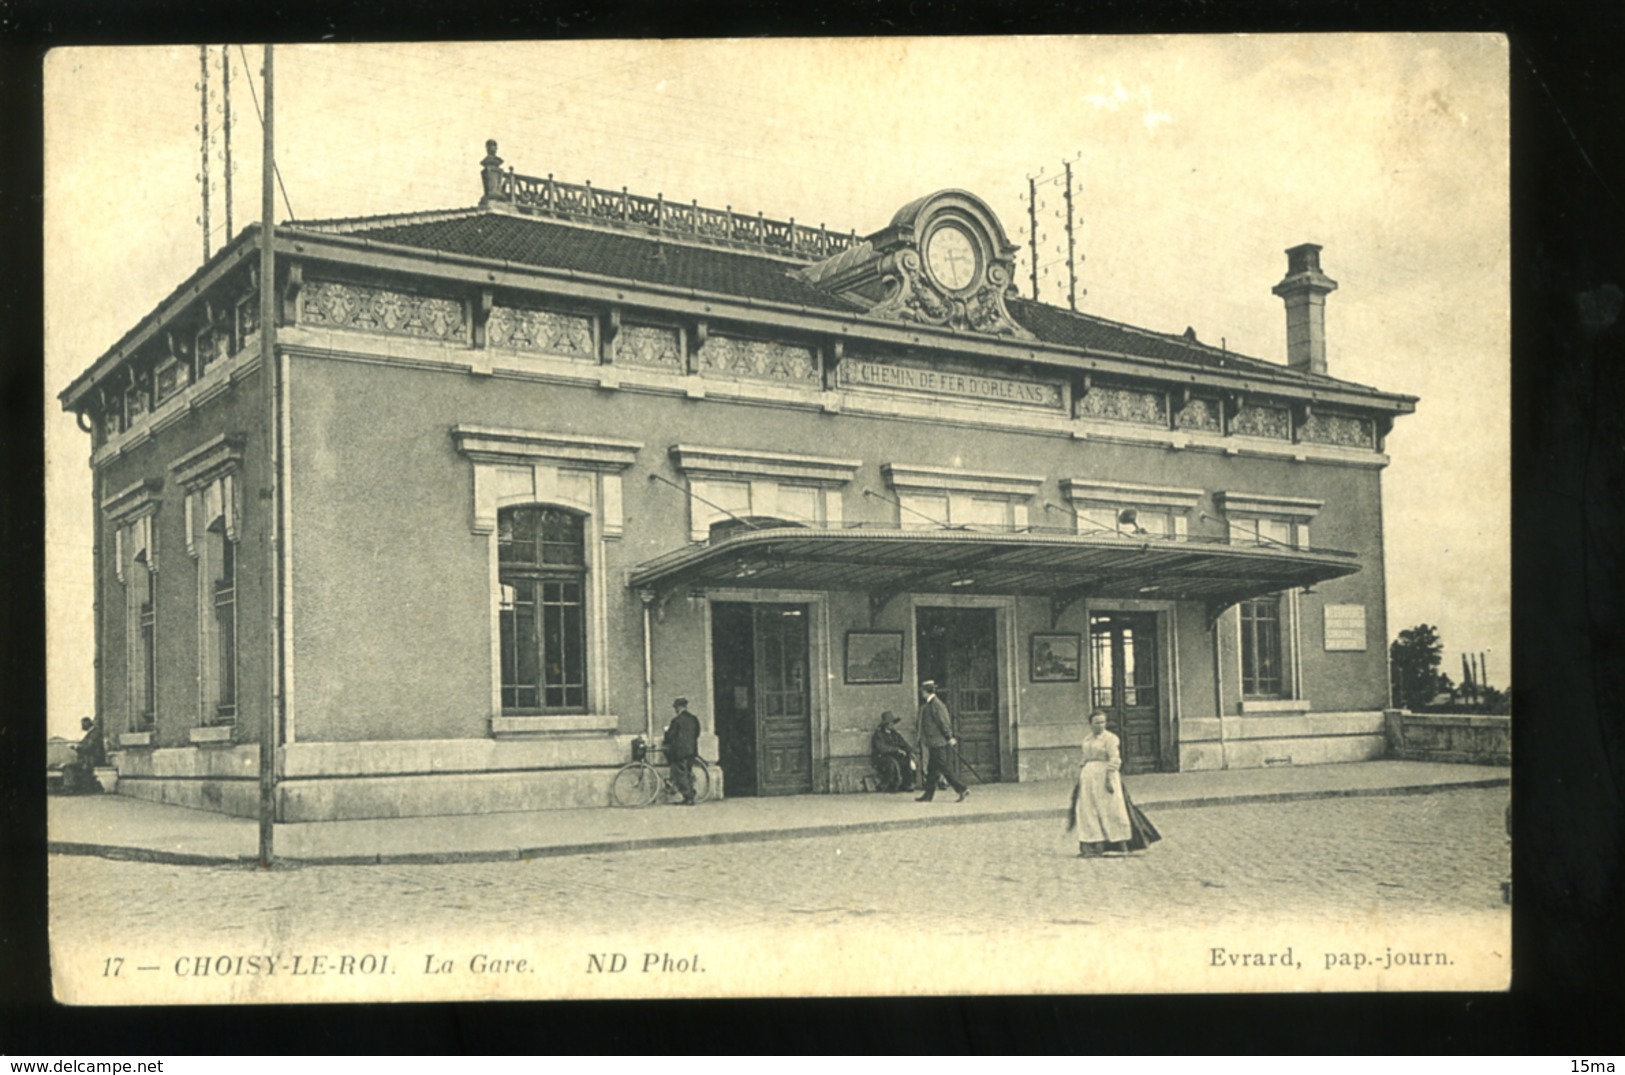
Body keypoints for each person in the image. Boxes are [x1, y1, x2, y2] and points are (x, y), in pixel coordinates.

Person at [1066, 709, 1160, 855]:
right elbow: (1084, 758)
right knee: (1088, 810)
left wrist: (1109, 778)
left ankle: (1121, 843)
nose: (1100, 725)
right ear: (1090, 724)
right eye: (1096, 722)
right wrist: (1081, 775)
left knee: (1112, 808)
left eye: (1102, 722)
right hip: (1088, 777)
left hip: (1105, 775)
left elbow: (1114, 759)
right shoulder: (1087, 740)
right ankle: (1094, 845)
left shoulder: (1110, 739)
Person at [915, 680, 968, 803]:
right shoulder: (930, 704)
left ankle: (962, 788)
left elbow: (943, 723)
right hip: (933, 742)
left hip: (938, 742)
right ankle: (928, 795)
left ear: (926, 691)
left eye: (922, 691)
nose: (921, 693)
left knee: (943, 767)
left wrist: (949, 737)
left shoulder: (936, 705)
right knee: (932, 769)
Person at [662, 697, 702, 806]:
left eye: (675, 707)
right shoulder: (694, 719)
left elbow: (670, 736)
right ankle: (689, 794)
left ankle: (689, 797)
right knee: (687, 772)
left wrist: (666, 733)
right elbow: (697, 733)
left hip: (680, 752)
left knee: (680, 774)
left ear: (678, 707)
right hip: (692, 751)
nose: (675, 710)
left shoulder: (676, 721)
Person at [870, 710, 917, 792]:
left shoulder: (895, 734)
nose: (891, 725)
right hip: (882, 757)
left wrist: (910, 752)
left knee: (906, 760)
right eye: (889, 723)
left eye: (892, 723)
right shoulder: (879, 734)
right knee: (892, 763)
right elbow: (882, 748)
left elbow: (904, 743)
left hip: (894, 756)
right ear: (885, 724)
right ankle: (892, 785)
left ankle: (907, 784)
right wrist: (896, 750)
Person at [62, 716, 105, 795]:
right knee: (70, 766)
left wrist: (76, 747)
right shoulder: (92, 733)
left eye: (83, 724)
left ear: (87, 723)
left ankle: (70, 788)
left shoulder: (94, 733)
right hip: (89, 759)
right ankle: (71, 787)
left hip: (92, 760)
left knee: (68, 767)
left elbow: (88, 747)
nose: (82, 726)